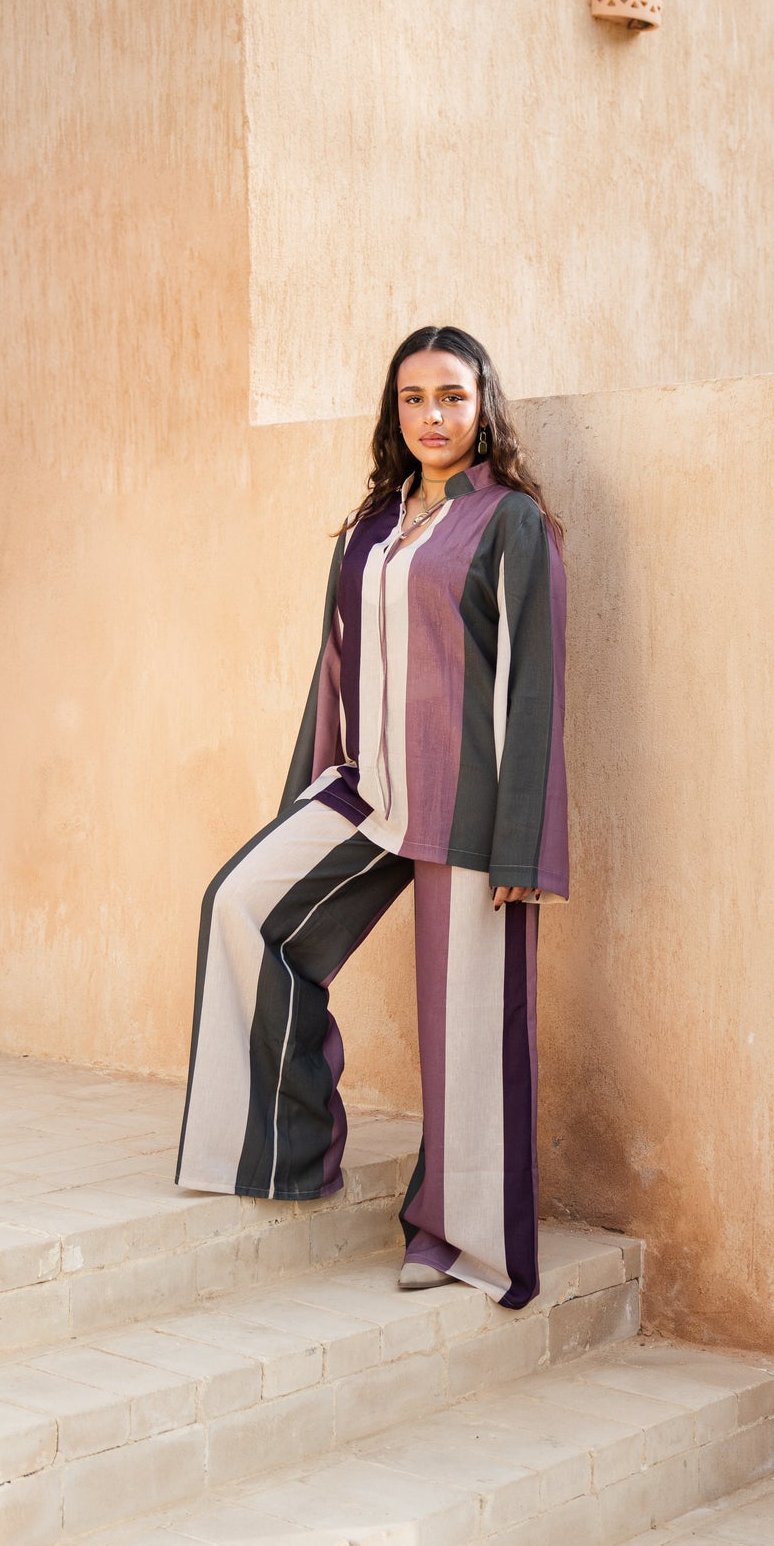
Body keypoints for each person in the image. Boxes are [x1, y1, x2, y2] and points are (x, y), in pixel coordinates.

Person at [176, 326, 567, 1308]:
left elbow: (534, 686)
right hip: (366, 787)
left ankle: (453, 1234)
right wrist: (303, 797)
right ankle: (283, 1143)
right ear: (394, 412)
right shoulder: (370, 525)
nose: (432, 415)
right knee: (241, 905)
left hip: (469, 805)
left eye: (452, 396)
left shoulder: (511, 522)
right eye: (413, 398)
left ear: (483, 407)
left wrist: (522, 842)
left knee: (466, 1029)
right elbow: (334, 664)